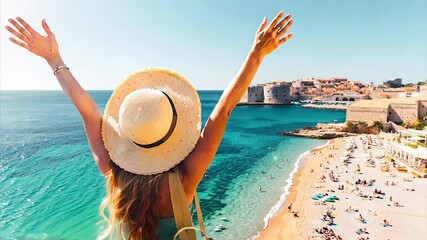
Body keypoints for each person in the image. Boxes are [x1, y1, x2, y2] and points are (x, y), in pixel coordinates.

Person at [6, 12, 294, 239]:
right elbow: (224, 110)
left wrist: (54, 59)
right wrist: (256, 54)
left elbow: (88, 113)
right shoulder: (185, 179)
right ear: (173, 129)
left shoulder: (114, 172)